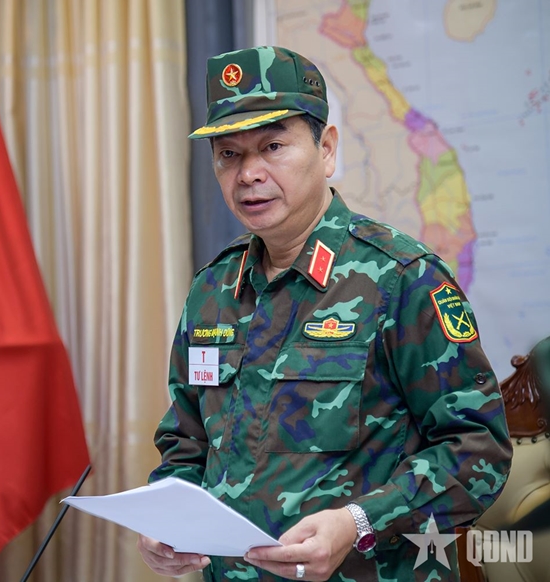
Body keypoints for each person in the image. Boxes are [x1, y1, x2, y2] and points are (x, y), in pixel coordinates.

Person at [137, 46, 512, 581]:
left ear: (326, 149)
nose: (248, 174)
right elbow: (186, 440)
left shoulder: (401, 278)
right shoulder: (212, 289)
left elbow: (478, 449)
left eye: (272, 146)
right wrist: (165, 518)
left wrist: (358, 523)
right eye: (228, 154)